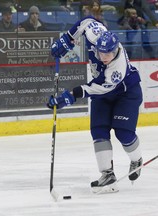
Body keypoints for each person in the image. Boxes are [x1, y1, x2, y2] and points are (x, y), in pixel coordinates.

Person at [47, 16, 143, 193]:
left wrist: (70, 96)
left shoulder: (117, 69)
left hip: (126, 93)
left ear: (116, 50)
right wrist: (67, 39)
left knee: (123, 132)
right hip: (102, 91)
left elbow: (97, 88)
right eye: (102, 53)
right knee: (98, 130)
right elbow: (86, 22)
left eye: (110, 53)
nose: (105, 57)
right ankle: (107, 174)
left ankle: (136, 159)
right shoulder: (96, 34)